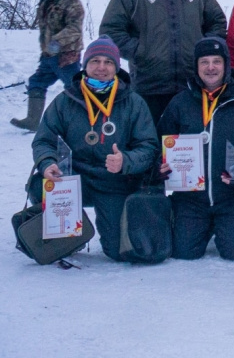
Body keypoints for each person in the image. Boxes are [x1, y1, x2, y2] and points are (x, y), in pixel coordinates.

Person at [30, 36, 159, 261]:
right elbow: (43, 140)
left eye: (108, 62)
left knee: (117, 251)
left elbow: (148, 147)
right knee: (39, 187)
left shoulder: (133, 102)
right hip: (73, 179)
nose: (101, 67)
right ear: (84, 65)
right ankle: (66, 232)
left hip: (113, 181)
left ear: (117, 67)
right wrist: (47, 162)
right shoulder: (65, 100)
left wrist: (125, 161)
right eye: (95, 61)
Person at [156, 37, 234, 261]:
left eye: (216, 61)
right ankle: (197, 224)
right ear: (196, 66)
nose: (211, 68)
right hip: (191, 198)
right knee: (183, 252)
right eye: (204, 62)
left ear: (226, 64)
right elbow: (160, 142)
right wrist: (159, 167)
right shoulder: (180, 103)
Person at [100, 0, 227, 123]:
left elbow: (217, 22)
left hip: (192, 85)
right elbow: (110, 30)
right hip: (148, 85)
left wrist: (205, 51)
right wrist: (140, 51)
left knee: (188, 144)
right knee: (149, 140)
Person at [12, 0, 84, 131]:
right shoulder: (48, 2)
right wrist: (47, 48)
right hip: (48, 56)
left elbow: (74, 29)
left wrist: (56, 42)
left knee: (75, 89)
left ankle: (80, 123)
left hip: (66, 56)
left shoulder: (72, 3)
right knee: (37, 82)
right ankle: (32, 120)